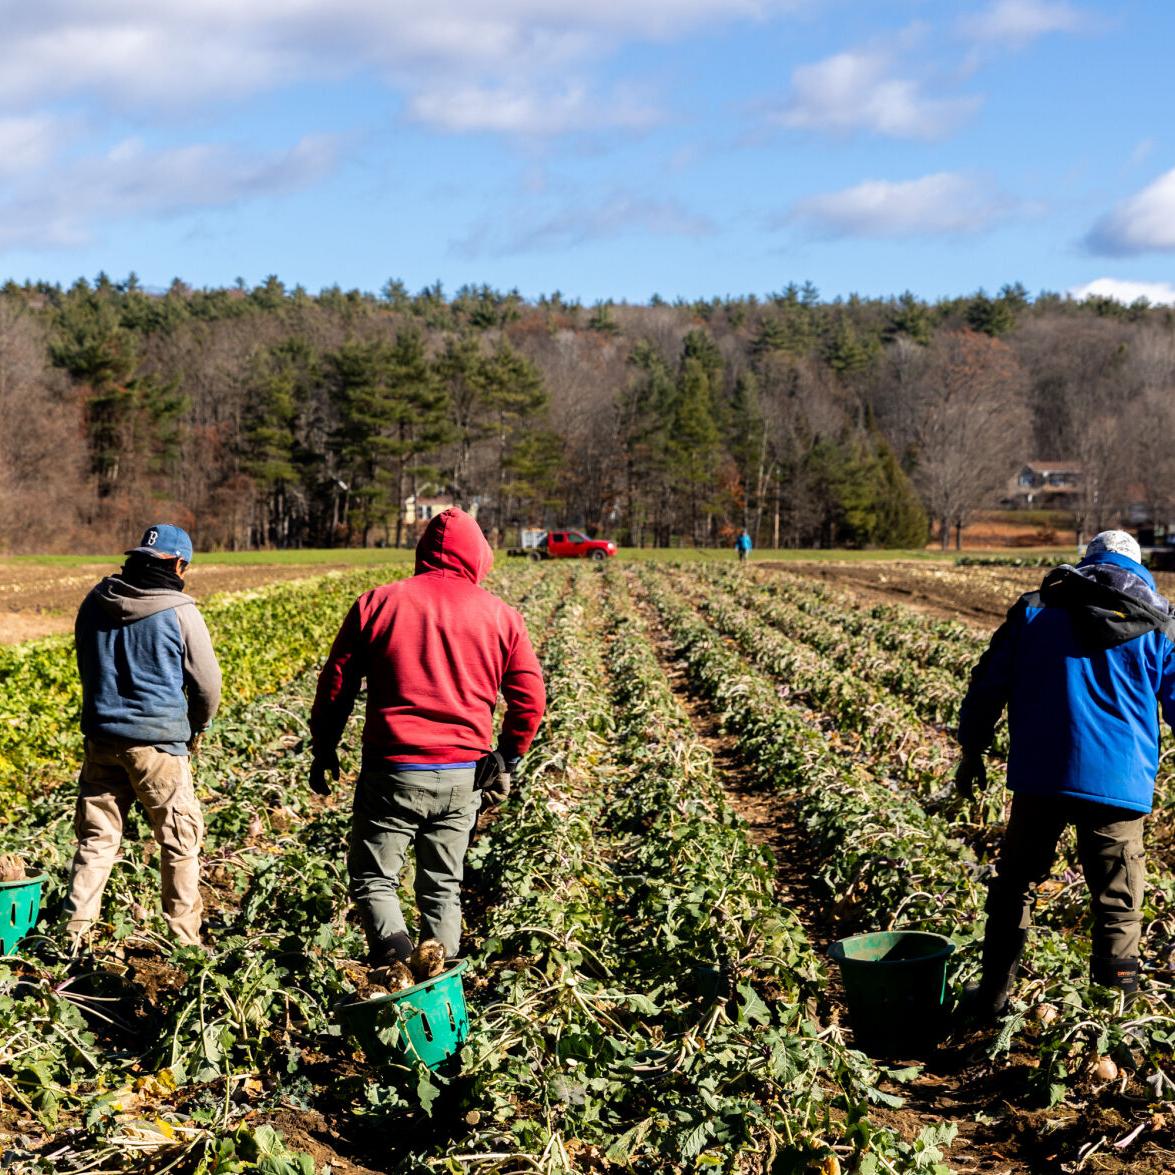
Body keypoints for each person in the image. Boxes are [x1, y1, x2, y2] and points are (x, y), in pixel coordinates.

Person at [308, 507, 546, 972]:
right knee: (443, 885)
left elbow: (336, 684)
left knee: (376, 880)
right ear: (478, 557)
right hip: (463, 776)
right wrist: (508, 757)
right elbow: (530, 700)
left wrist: (325, 746)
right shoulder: (501, 616)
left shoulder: (378, 603)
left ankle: (398, 966)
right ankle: (441, 991)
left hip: (391, 771)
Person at [955, 530, 1175, 1020]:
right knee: (1117, 901)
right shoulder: (1159, 621)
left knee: (1016, 884)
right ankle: (1115, 1021)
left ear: (1087, 561)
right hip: (1119, 788)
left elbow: (989, 682)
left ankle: (992, 997)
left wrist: (972, 748)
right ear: (1139, 569)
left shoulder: (1035, 609)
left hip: (1042, 778)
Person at [66, 524, 221, 947]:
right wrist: (197, 726)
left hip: (101, 738)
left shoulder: (95, 602)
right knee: (179, 840)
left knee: (97, 840)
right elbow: (207, 685)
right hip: (158, 746)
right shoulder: (180, 611)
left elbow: (86, 664)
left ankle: (73, 937)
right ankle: (185, 941)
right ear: (177, 564)